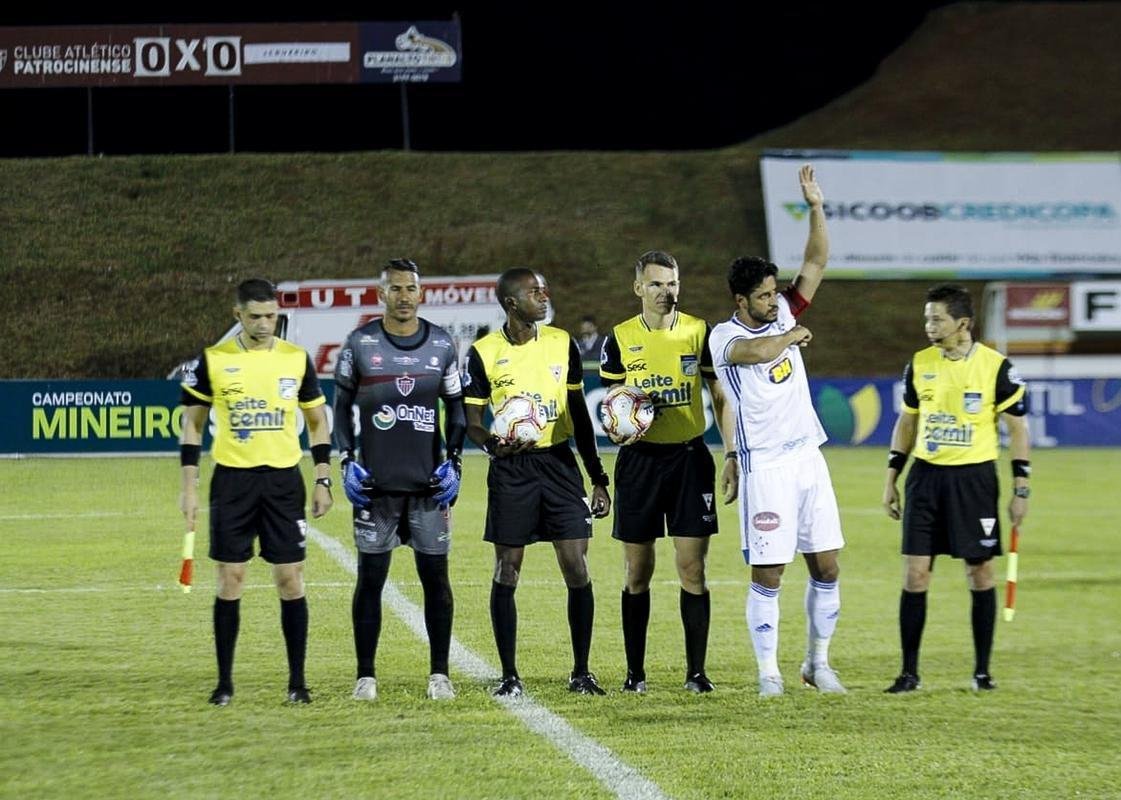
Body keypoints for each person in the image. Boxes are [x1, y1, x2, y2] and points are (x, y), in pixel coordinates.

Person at [709, 164, 847, 697]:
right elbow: (761, 350)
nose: (774, 301)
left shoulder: (784, 311)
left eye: (774, 293)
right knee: (769, 575)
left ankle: (818, 663)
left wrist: (815, 207)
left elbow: (816, 259)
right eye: (763, 297)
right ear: (741, 300)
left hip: (808, 456)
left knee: (828, 566)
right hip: (764, 463)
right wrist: (791, 334)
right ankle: (769, 673)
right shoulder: (725, 337)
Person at [178, 277, 334, 706]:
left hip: (284, 481)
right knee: (231, 578)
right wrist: (188, 488)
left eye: (271, 316)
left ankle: (298, 683)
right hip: (233, 480)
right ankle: (224, 683)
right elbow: (192, 424)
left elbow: (318, 422)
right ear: (238, 315)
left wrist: (322, 478)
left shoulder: (296, 360)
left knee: (290, 578)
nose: (265, 324)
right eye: (255, 316)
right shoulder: (214, 360)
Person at [464, 267, 612, 697]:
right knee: (507, 569)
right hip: (512, 470)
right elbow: (471, 421)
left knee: (576, 565)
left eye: (544, 290)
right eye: (534, 292)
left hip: (559, 464)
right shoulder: (483, 352)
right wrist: (493, 443)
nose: (544, 297)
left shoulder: (561, 342)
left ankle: (581, 672)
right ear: (512, 304)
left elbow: (579, 414)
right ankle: (509, 675)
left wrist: (598, 478)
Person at [882, 284, 1030, 693]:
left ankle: (982, 672)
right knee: (915, 575)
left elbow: (1017, 428)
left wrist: (1022, 489)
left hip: (975, 480)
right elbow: (907, 422)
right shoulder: (919, 363)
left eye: (937, 319)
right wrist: (892, 477)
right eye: (927, 318)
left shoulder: (996, 367)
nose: (928, 325)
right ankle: (908, 673)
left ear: (963, 323)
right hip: (926, 480)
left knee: (980, 573)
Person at [333, 259, 467, 702]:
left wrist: (454, 462)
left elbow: (457, 409)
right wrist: (346, 460)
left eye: (411, 288)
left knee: (437, 582)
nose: (404, 296)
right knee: (370, 581)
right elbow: (341, 408)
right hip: (376, 488)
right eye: (396, 289)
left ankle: (440, 674)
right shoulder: (360, 344)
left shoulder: (443, 344)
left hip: (429, 487)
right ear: (381, 294)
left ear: (421, 293)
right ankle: (365, 676)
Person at [599, 249, 732, 694]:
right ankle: (635, 674)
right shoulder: (619, 339)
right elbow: (614, 406)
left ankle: (696, 673)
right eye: (656, 284)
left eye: (672, 283)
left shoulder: (699, 332)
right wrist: (622, 427)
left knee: (693, 568)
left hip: (690, 460)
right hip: (640, 462)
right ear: (638, 287)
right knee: (638, 571)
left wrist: (731, 452)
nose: (666, 292)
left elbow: (719, 395)